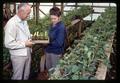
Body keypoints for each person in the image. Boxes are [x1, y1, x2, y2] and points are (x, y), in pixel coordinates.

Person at [4, 3, 33, 80]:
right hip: (18, 56)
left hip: (27, 52)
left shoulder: (24, 21)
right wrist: (24, 44)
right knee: (18, 77)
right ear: (21, 11)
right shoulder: (12, 23)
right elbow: (8, 43)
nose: (28, 15)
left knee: (26, 75)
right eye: (28, 13)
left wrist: (31, 37)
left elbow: (24, 35)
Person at [44, 7, 66, 71]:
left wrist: (47, 42)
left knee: (55, 71)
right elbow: (49, 36)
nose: (53, 20)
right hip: (48, 51)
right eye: (51, 18)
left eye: (54, 18)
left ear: (59, 17)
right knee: (49, 69)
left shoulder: (61, 27)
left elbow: (59, 43)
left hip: (56, 53)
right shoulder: (52, 25)